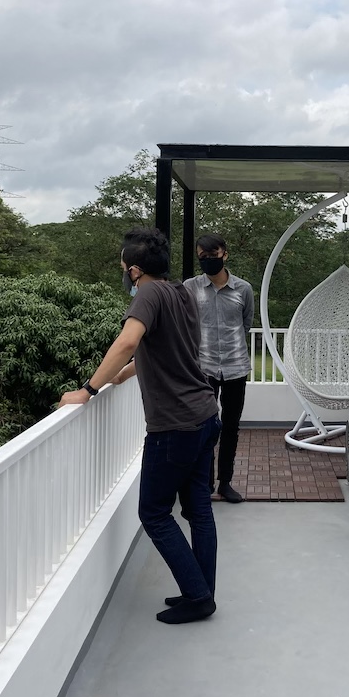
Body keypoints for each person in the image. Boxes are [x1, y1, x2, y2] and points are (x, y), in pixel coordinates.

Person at [58, 226, 220, 625]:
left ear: (134, 270)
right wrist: (124, 374)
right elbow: (170, 349)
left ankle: (198, 596)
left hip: (175, 425)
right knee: (199, 510)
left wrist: (88, 390)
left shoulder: (147, 294)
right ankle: (201, 590)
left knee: (154, 513)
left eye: (123, 268)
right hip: (205, 414)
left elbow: (129, 341)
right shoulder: (180, 292)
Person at [183, 233, 254, 504]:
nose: (208, 260)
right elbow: (186, 323)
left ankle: (226, 482)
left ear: (225, 254)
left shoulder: (243, 289)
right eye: (203, 257)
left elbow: (245, 324)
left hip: (236, 367)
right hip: (204, 368)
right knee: (205, 427)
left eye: (213, 255)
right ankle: (205, 483)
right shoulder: (190, 287)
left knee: (231, 426)